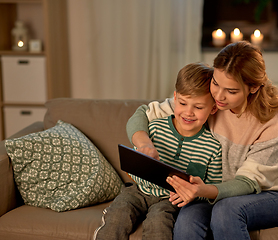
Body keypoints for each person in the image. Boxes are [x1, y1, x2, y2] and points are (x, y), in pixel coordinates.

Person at [126, 41, 278, 240]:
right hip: (209, 193)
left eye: (231, 91)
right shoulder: (207, 101)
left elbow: (248, 183)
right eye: (216, 83)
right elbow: (143, 114)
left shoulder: (274, 121)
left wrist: (202, 190)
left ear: (252, 88)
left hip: (271, 195)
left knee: (226, 211)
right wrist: (144, 144)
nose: (218, 95)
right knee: (187, 221)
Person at [94, 62, 222, 240]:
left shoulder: (212, 147)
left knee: (159, 224)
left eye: (198, 107)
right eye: (183, 103)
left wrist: (191, 194)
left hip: (169, 202)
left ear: (213, 108)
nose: (188, 112)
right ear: (175, 98)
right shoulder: (154, 128)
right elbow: (133, 167)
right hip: (138, 191)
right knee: (117, 216)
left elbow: (210, 190)